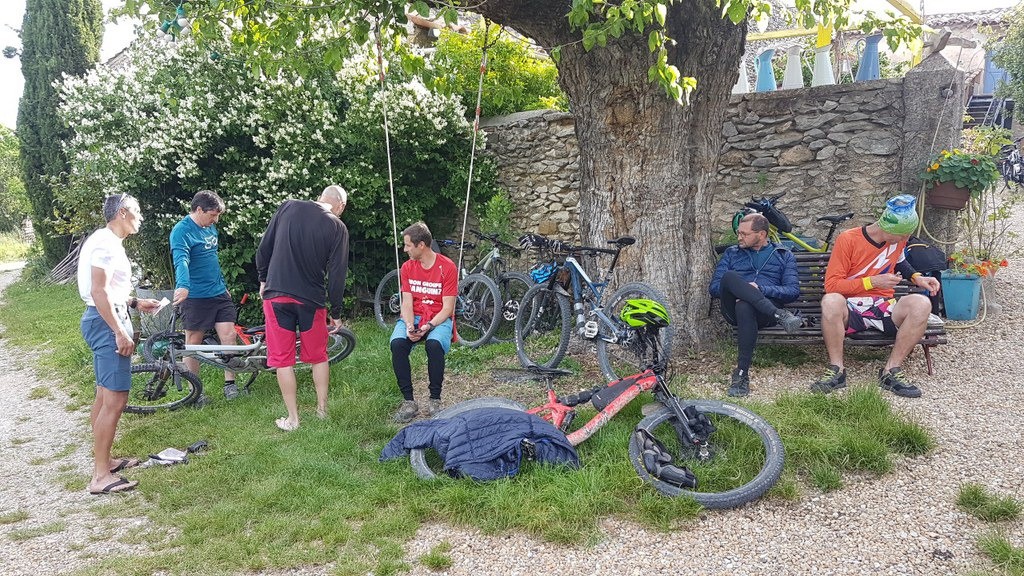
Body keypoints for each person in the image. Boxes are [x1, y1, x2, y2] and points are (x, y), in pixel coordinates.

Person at [810, 194, 941, 398]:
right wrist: (873, 282)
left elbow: (900, 262)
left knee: (922, 303)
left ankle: (891, 371)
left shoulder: (897, 242)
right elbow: (832, 285)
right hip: (850, 307)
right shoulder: (848, 239)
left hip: (883, 307)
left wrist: (918, 278)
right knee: (830, 300)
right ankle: (837, 370)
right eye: (903, 236)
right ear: (888, 229)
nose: (906, 240)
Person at [78, 193, 162, 494]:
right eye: (137, 211)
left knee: (104, 397)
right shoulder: (105, 243)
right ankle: (100, 477)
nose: (141, 217)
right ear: (123, 212)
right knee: (115, 401)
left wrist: (136, 302)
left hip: (105, 319)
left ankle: (106, 461)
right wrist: (119, 331)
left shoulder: (107, 241)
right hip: (105, 323)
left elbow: (109, 292)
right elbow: (98, 292)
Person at [255, 185, 349, 431]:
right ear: (340, 206)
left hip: (277, 296)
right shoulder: (337, 226)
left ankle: (293, 419)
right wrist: (336, 312)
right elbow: (338, 273)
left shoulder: (289, 206)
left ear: (320, 197)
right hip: (311, 300)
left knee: (283, 360)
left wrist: (264, 279)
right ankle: (321, 410)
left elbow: (264, 247)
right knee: (319, 356)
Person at [709, 213, 802, 397]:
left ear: (761, 234)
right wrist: (740, 289)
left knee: (746, 304)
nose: (739, 237)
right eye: (739, 233)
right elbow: (714, 288)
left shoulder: (783, 255)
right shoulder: (732, 253)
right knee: (730, 277)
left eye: (745, 234)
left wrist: (760, 289)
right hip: (732, 309)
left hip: (762, 314)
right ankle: (779, 315)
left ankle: (741, 374)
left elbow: (792, 291)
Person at [170, 190, 239, 401]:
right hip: (195, 296)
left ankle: (230, 384)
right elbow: (181, 260)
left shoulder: (210, 228)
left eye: (217, 215)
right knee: (194, 342)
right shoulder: (181, 231)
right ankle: (195, 392)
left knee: (229, 335)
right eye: (212, 215)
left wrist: (223, 284)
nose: (215, 220)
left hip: (218, 293)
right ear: (199, 210)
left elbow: (211, 259)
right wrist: (183, 285)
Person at [390, 221, 457, 423]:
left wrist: (429, 326)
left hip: (438, 316)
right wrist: (410, 325)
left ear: (421, 245)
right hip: (415, 315)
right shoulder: (407, 267)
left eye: (408, 245)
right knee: (397, 343)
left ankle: (435, 399)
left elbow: (448, 308)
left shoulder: (447, 267)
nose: (405, 249)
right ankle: (409, 401)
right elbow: (407, 303)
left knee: (434, 345)